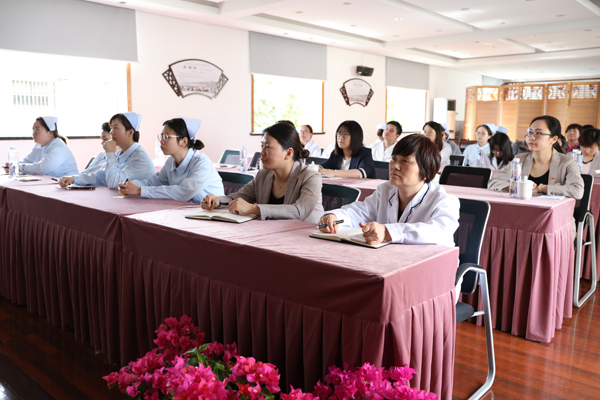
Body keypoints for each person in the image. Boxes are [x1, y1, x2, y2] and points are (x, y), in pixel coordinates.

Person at [318, 133, 459, 247]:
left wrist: (387, 232)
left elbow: (439, 231)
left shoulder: (444, 201)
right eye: (394, 159)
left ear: (426, 169)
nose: (395, 165)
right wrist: (334, 217)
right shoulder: (385, 191)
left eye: (405, 161)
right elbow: (359, 212)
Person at [201, 122, 323, 223]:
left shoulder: (310, 177)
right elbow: (237, 198)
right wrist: (216, 201)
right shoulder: (264, 174)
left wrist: (254, 209)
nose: (262, 152)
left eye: (268, 147)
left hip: (303, 237)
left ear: (288, 153)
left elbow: (299, 211)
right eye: (262, 146)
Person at [118, 118, 224, 202]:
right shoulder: (171, 161)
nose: (161, 141)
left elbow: (183, 192)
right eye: (161, 137)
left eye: (166, 137)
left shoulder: (202, 163)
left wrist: (140, 191)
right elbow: (154, 182)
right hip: (187, 211)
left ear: (183, 141)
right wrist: (129, 186)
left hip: (213, 214)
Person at [488, 115, 584, 198]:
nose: (532, 137)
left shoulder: (567, 162)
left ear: (554, 139)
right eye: (530, 132)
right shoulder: (520, 159)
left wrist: (541, 188)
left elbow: (577, 191)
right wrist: (517, 187)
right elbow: (494, 181)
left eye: (538, 133)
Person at [59, 112, 155, 188]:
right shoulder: (120, 153)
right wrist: (74, 179)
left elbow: (115, 183)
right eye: (111, 128)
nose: (111, 132)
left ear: (130, 132)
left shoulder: (141, 158)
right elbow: (101, 177)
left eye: (116, 128)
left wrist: (110, 153)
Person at [4, 116, 78, 177]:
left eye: (37, 129)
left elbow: (42, 168)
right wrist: (13, 164)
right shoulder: (39, 146)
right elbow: (28, 161)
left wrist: (19, 167)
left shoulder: (58, 146)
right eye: (33, 130)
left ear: (50, 132)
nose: (34, 133)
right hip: (51, 183)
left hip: (67, 185)